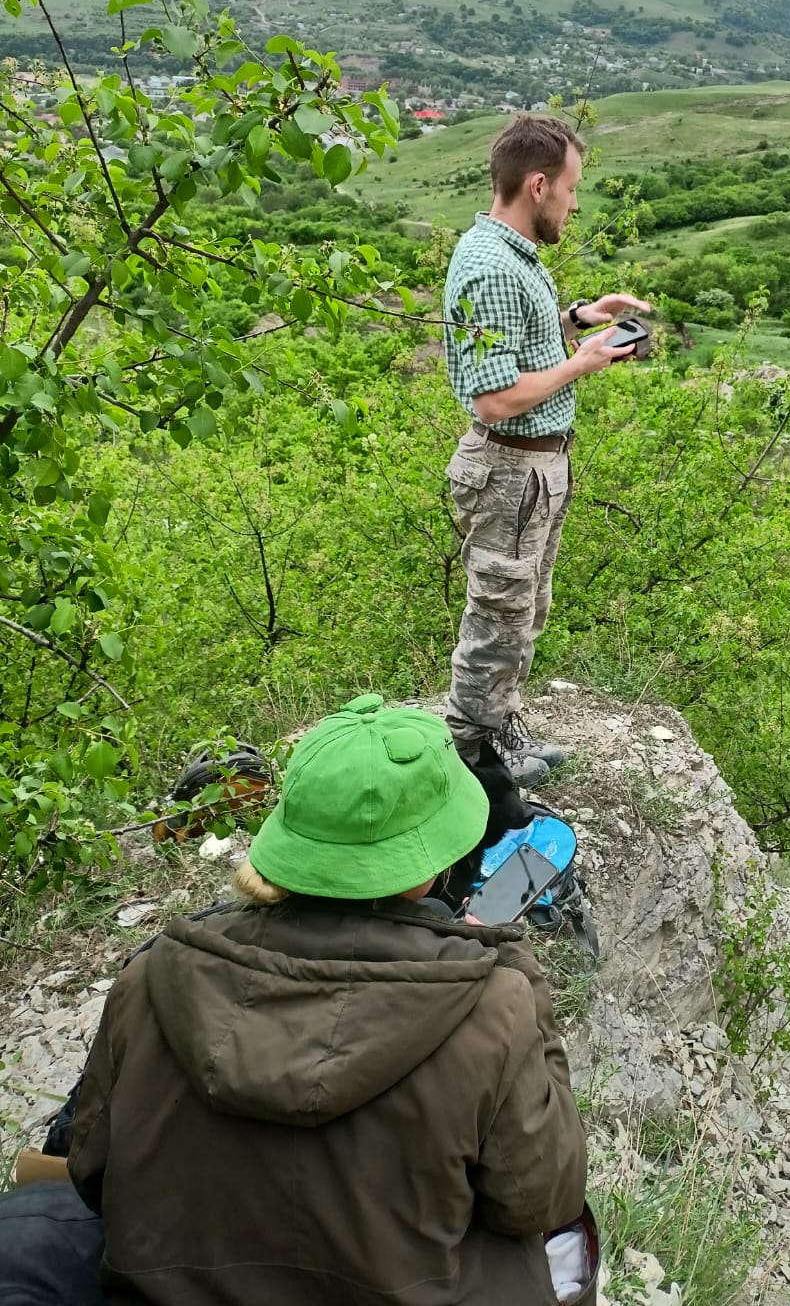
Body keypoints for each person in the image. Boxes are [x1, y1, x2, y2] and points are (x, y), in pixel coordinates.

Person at [42, 694, 587, 1305]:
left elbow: (88, 1172)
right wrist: (517, 973)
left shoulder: (150, 975)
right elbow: (542, 1199)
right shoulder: (493, 1007)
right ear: (428, 862)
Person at [442, 114, 650, 788]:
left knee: (524, 610)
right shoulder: (494, 266)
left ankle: (498, 730)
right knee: (499, 615)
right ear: (538, 185)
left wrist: (579, 321)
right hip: (509, 463)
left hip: (534, 465)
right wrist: (580, 364)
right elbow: (493, 398)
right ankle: (473, 764)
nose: (574, 202)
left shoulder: (510, 259)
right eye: (570, 189)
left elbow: (517, 344)